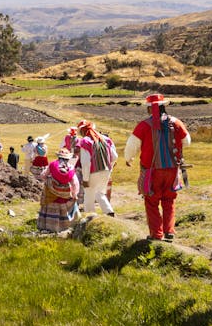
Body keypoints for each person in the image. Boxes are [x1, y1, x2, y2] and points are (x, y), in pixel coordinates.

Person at [124, 93, 191, 241]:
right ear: (163, 107)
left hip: (152, 171)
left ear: (149, 109)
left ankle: (156, 234)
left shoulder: (143, 126)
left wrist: (129, 159)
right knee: (169, 200)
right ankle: (169, 232)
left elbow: (131, 146)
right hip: (172, 169)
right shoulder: (176, 123)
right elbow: (187, 141)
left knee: (151, 202)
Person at [77, 120, 118, 217]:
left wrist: (85, 179)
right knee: (100, 193)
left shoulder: (85, 141)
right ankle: (109, 211)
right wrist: (110, 167)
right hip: (106, 171)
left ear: (83, 131)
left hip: (92, 172)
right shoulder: (106, 139)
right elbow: (114, 156)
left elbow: (86, 163)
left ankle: (90, 216)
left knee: (89, 194)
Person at [37, 147, 80, 232]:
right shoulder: (71, 168)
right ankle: (63, 226)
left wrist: (48, 180)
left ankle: (47, 226)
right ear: (68, 158)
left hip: (51, 193)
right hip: (65, 194)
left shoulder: (53, 164)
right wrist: (74, 194)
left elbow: (43, 175)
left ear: (58, 157)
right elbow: (75, 183)